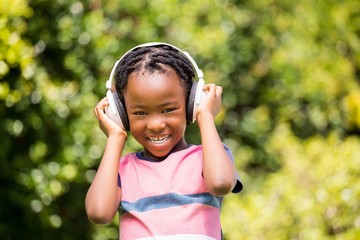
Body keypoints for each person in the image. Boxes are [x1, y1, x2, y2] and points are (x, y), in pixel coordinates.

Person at [85, 42, 243, 240]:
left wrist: (206, 116)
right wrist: (115, 138)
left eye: (168, 110)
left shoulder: (209, 157)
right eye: (140, 113)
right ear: (122, 115)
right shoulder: (121, 169)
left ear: (190, 104)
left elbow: (220, 184)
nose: (156, 125)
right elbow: (99, 213)